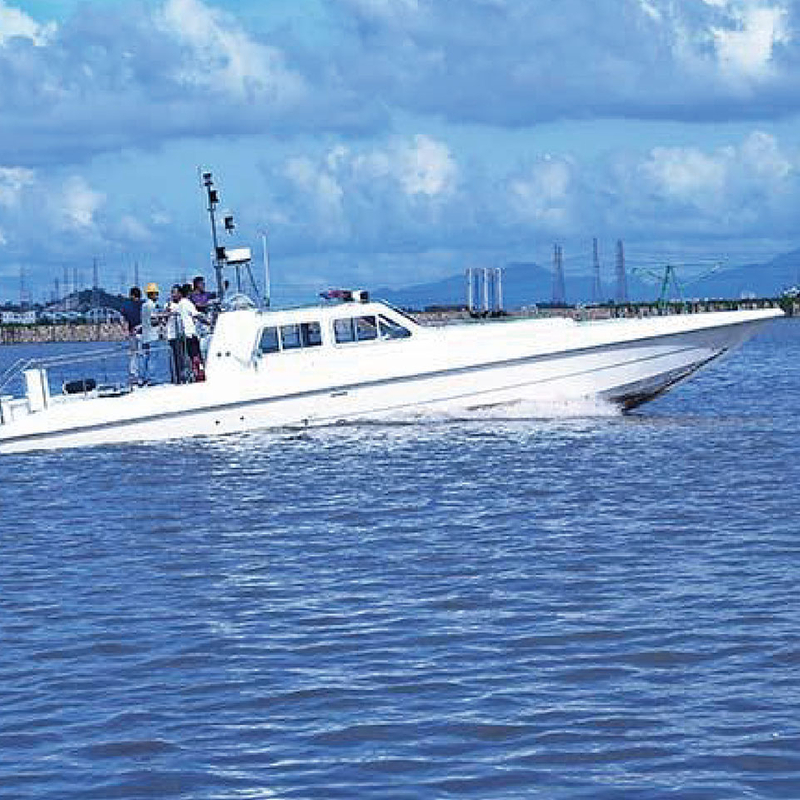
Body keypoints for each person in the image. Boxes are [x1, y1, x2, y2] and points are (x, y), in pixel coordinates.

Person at [165, 284, 206, 383]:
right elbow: (196, 315)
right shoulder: (185, 303)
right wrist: (209, 322)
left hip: (183, 335)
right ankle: (197, 375)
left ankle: (188, 376)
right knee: (194, 356)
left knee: (187, 358)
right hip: (189, 334)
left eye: (174, 292)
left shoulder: (180, 304)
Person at [139, 282, 162, 385]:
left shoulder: (143, 305)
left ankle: (141, 378)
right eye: (156, 294)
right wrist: (162, 318)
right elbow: (153, 321)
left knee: (144, 358)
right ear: (152, 294)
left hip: (145, 336)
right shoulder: (153, 306)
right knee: (153, 358)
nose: (157, 296)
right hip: (153, 335)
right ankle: (151, 379)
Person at [120, 287, 143, 385]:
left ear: (131, 295)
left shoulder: (126, 305)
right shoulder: (143, 304)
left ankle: (133, 376)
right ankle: (143, 376)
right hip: (143, 333)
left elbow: (122, 319)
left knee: (133, 355)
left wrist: (125, 330)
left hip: (132, 333)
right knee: (142, 355)